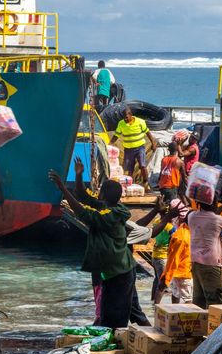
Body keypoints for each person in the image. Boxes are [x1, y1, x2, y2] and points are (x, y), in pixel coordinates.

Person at [48, 158, 138, 329]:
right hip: (113, 272)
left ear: (103, 195)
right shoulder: (106, 206)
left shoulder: (109, 215)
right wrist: (79, 176)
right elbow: (83, 197)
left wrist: (63, 189)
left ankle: (116, 351)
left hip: (120, 273)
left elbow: (85, 214)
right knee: (107, 315)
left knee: (116, 318)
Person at [188, 200, 222, 309]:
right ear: (214, 205)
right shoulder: (218, 219)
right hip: (211, 263)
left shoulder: (192, 216)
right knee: (219, 303)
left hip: (195, 262)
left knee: (200, 302)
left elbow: (209, 216)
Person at [110, 107, 157, 190]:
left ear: (131, 115)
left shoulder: (140, 122)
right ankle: (129, 185)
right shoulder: (121, 124)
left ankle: (146, 183)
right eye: (124, 118)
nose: (125, 119)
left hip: (139, 148)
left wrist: (153, 143)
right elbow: (116, 136)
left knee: (142, 165)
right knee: (128, 168)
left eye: (127, 117)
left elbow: (148, 133)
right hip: (128, 149)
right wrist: (109, 144)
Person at [159, 209, 192, 304]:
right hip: (183, 272)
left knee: (176, 294)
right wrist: (166, 276)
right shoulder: (182, 236)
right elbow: (174, 258)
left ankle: (173, 316)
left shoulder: (185, 231)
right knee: (188, 299)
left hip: (179, 271)